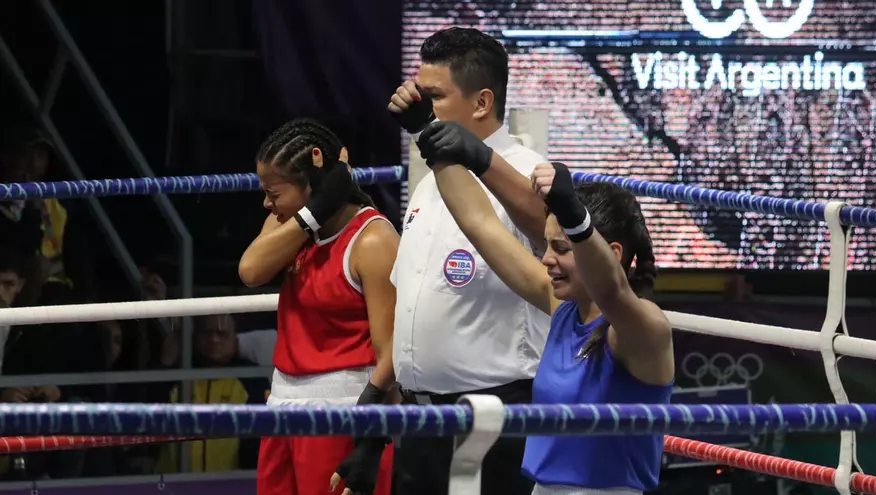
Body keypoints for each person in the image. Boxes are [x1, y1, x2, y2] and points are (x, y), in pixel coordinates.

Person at [416, 121, 675, 495]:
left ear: (614, 254)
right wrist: (434, 140)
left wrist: (576, 216)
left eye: (562, 248)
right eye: (548, 246)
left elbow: (613, 292)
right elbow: (480, 224)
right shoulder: (564, 310)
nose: (547, 260)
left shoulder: (642, 327)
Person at [387, 26, 549, 495]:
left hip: (494, 415)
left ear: (481, 103)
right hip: (420, 419)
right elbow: (411, 301)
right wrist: (377, 404)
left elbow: (545, 221)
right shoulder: (425, 183)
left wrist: (432, 134)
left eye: (432, 96)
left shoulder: (526, 169)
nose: (416, 104)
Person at [238, 118, 399, 495]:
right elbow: (251, 270)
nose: (267, 203)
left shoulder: (372, 240)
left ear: (311, 182)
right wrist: (315, 211)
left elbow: (391, 349)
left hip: (341, 412)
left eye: (274, 193)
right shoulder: (291, 228)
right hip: (282, 407)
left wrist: (372, 436)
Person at [153, 314, 269, 473]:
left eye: (222, 334)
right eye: (207, 332)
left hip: (230, 486)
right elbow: (149, 419)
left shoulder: (252, 378)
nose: (214, 339)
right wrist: (164, 364)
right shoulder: (178, 374)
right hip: (171, 484)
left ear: (235, 340)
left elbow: (261, 440)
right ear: (195, 337)